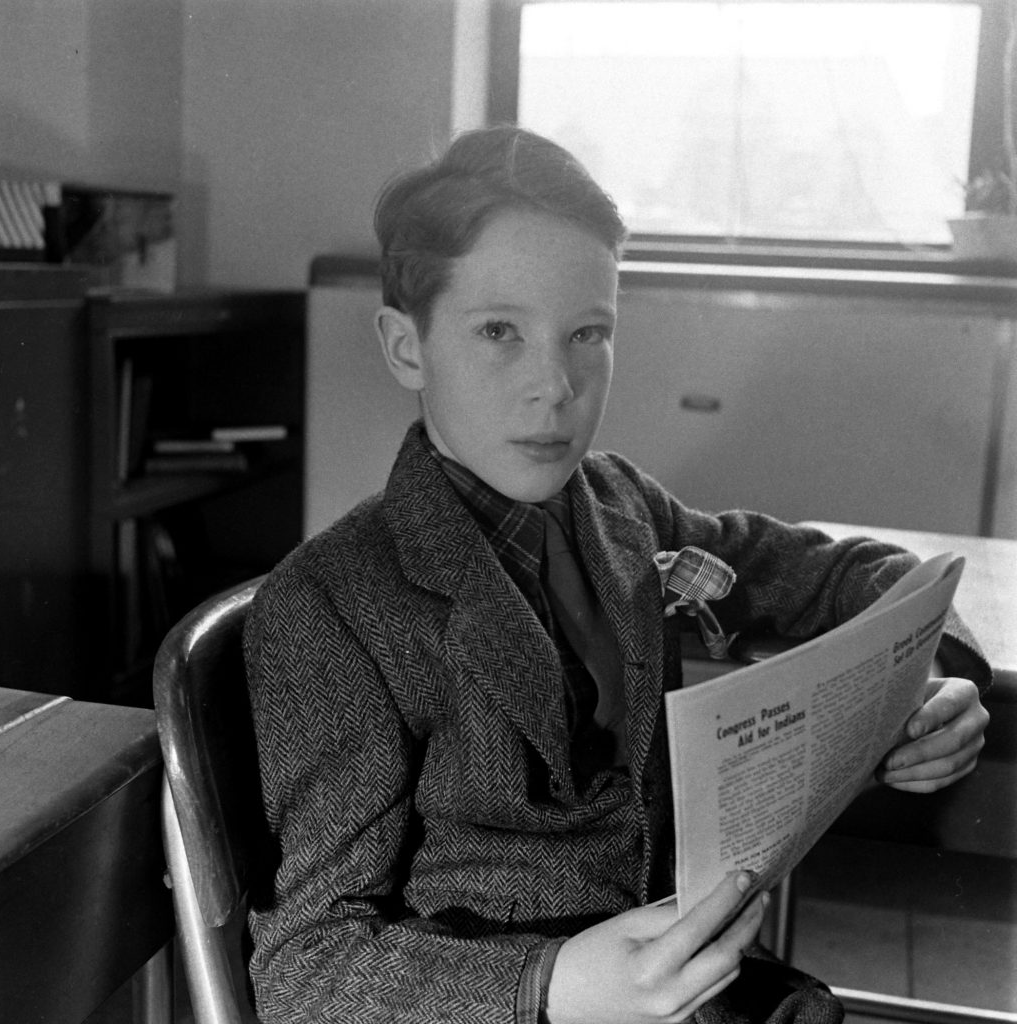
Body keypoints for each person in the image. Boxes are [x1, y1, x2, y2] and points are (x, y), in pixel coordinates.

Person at [243, 126, 991, 1024]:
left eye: (587, 333)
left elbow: (851, 573)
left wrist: (939, 669)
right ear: (407, 349)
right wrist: (549, 987)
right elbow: (307, 969)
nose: (554, 386)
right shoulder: (329, 607)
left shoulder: (624, 507)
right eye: (497, 333)